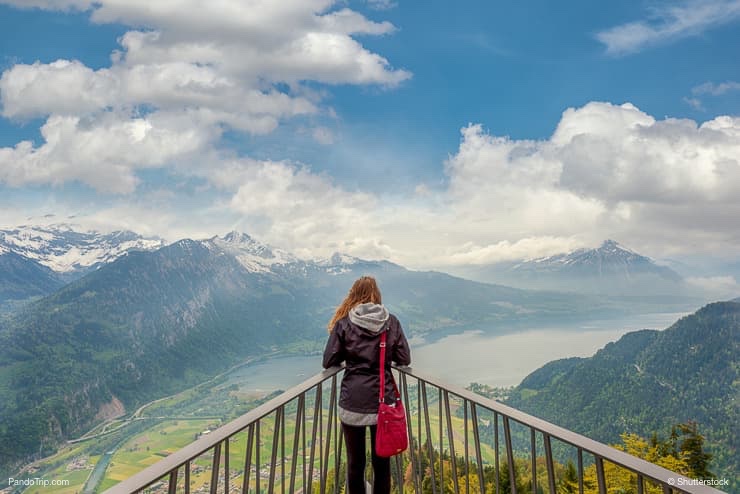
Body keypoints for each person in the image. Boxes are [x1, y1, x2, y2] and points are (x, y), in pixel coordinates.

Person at [322, 276, 411, 494]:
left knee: (355, 464)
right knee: (381, 464)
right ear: (377, 295)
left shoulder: (344, 324)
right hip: (383, 403)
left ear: (353, 296)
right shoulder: (392, 322)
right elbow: (404, 358)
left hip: (352, 402)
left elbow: (328, 361)